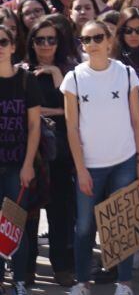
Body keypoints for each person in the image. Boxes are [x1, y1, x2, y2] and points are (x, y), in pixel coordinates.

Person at [61, 17, 139, 295]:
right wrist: (81, 169)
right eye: (85, 39)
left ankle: (123, 282)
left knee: (122, 224)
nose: (92, 44)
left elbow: (138, 120)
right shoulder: (73, 78)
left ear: (109, 40)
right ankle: (81, 281)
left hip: (124, 160)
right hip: (90, 165)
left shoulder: (125, 73)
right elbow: (72, 129)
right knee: (85, 227)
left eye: (97, 37)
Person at [25, 15, 79, 287]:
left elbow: (78, 112)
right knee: (29, 214)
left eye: (51, 40)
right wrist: (57, 112)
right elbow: (20, 112)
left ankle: (63, 267)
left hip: (61, 153)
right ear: (31, 43)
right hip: (30, 153)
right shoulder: (21, 71)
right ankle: (26, 268)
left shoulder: (69, 72)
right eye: (40, 40)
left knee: (61, 213)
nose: (45, 45)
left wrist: (58, 77)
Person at [0, 22, 42, 295]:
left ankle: (19, 281)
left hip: (18, 165)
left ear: (13, 46)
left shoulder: (27, 80)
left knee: (17, 225)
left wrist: (28, 165)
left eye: (3, 42)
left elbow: (35, 126)